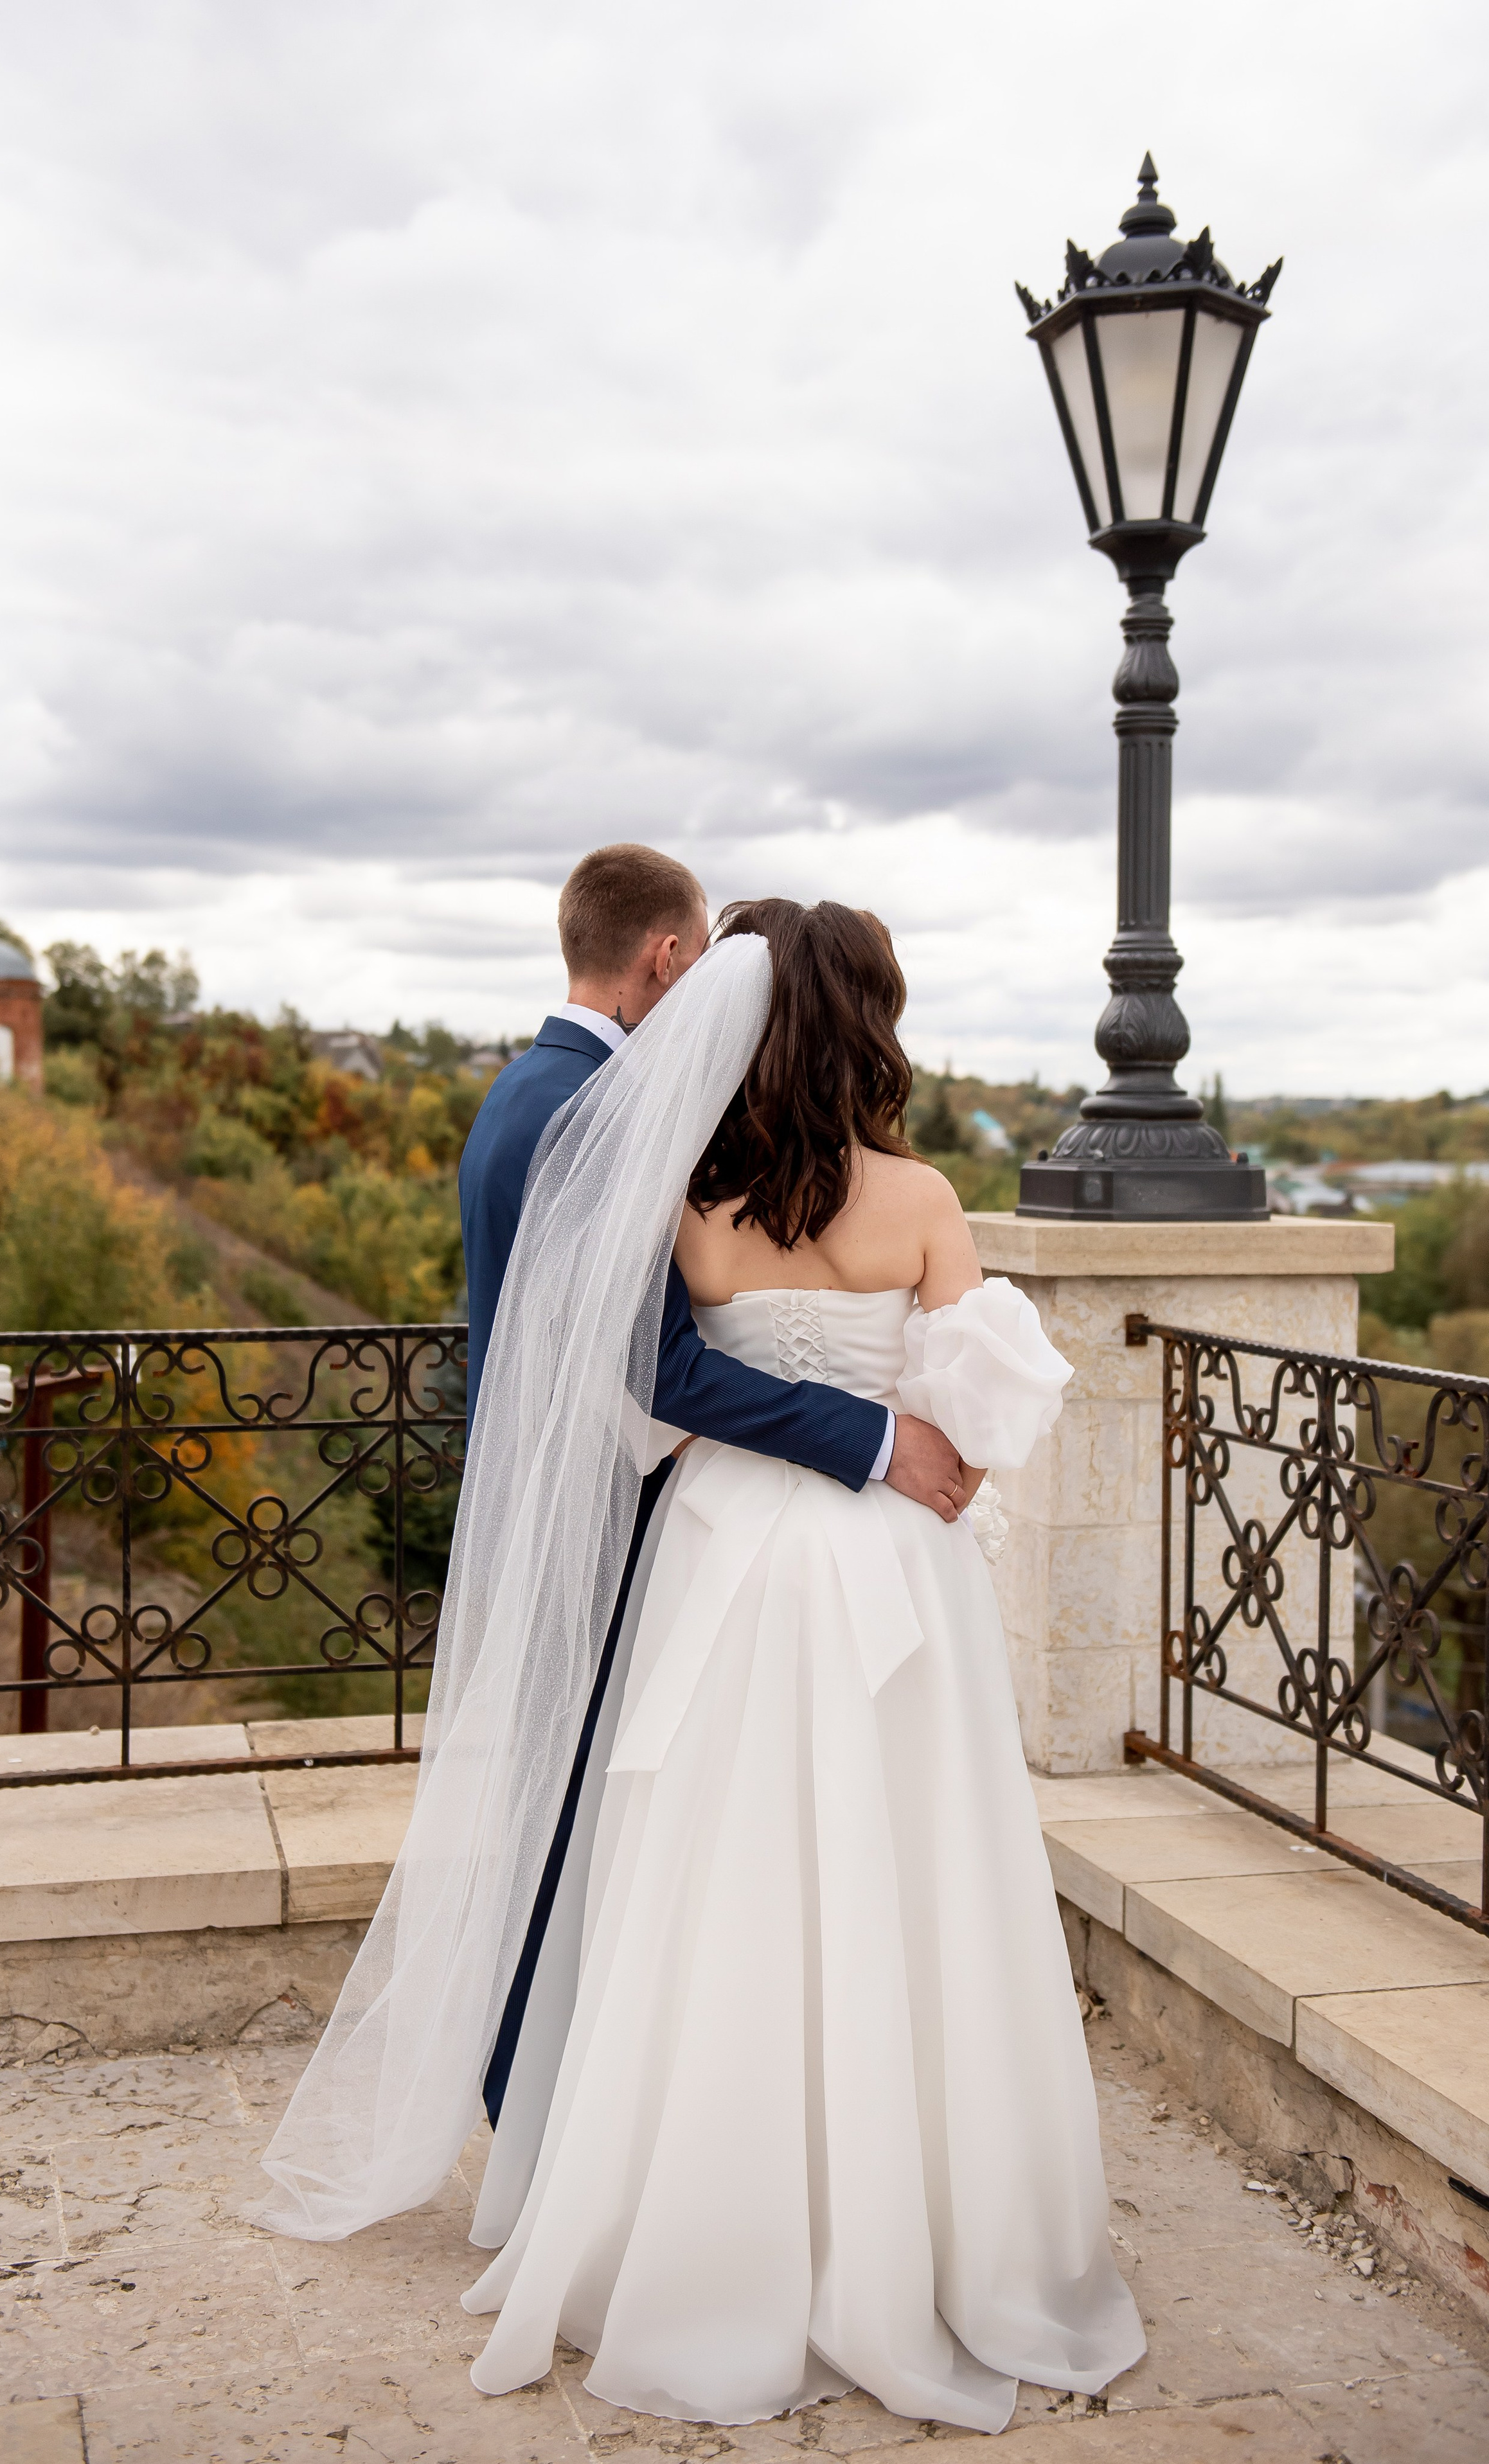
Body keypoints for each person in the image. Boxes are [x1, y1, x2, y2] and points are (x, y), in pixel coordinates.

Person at [256, 901, 1141, 2437]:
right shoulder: (924, 1199)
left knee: (710, 1882)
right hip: (888, 1570)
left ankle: (693, 2230)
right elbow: (976, 1425)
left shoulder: (682, 1197)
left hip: (721, 1557)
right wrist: (911, 1444)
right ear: (869, 1024)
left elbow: (645, 1380)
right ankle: (918, 2233)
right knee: (906, 1875)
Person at [457, 845, 968, 2127]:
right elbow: (656, 1363)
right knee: (605, 1828)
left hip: (692, 1522)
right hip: (619, 1518)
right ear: (666, 957)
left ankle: (608, 2113)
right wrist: (878, 1436)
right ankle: (546, 2103)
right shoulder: (585, 1113)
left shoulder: (579, 1113)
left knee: (669, 1838)